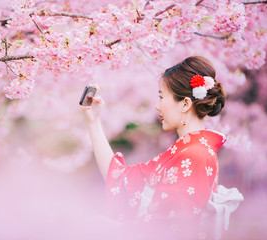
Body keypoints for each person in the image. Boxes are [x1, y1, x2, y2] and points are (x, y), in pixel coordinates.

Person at [82, 56, 243, 239]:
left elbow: (171, 228)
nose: (158, 106)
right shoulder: (189, 151)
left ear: (185, 104)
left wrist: (113, 227)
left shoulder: (194, 154)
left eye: (161, 97)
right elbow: (121, 179)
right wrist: (93, 122)